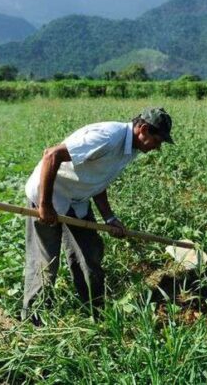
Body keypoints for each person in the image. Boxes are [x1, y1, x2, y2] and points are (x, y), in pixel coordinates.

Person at [22, 107, 174, 323]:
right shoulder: (108, 137)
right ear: (142, 129)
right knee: (46, 262)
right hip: (49, 195)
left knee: (89, 254)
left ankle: (95, 312)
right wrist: (45, 205)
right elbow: (51, 155)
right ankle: (33, 320)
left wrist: (110, 218)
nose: (158, 147)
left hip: (77, 200)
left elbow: (98, 180)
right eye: (157, 140)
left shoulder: (130, 150)